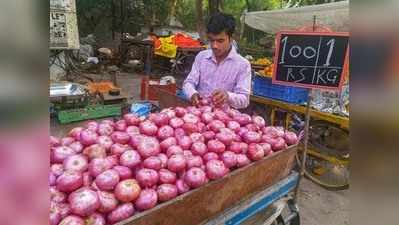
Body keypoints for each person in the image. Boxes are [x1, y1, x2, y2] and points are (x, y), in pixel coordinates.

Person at [182, 13, 251, 109]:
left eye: (220, 41)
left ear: (231, 38)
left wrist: (228, 96)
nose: (214, 45)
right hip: (198, 114)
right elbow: (188, 82)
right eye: (211, 40)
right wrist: (193, 94)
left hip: (222, 120)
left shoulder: (243, 65)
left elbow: (244, 100)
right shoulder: (201, 57)